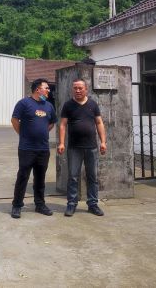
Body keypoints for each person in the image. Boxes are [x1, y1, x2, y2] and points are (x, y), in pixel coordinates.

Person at [57, 78, 107, 217]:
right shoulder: (68, 105)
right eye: (75, 88)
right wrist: (61, 143)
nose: (77, 90)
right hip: (74, 147)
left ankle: (93, 204)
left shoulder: (93, 104)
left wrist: (103, 142)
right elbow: (62, 125)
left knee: (93, 177)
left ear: (86, 89)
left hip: (92, 147)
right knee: (73, 177)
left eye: (80, 88)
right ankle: (71, 204)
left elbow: (99, 123)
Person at [10, 78, 57, 219]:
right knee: (23, 176)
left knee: (40, 178)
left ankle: (40, 204)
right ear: (38, 89)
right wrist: (23, 134)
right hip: (27, 148)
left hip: (43, 149)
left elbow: (52, 122)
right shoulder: (24, 103)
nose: (48, 90)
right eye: (46, 88)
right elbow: (14, 120)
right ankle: (17, 205)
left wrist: (42, 132)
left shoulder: (49, 106)